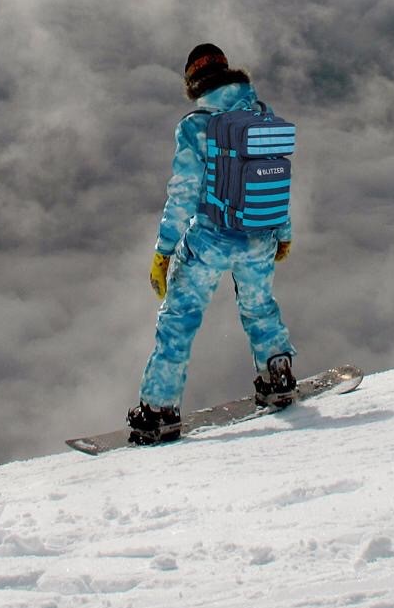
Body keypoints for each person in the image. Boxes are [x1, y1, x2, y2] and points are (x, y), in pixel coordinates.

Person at [127, 43, 296, 445]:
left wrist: (163, 251)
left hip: (210, 238)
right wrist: (283, 232)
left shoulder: (195, 125)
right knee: (259, 308)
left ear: (194, 82)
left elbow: (183, 194)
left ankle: (159, 410)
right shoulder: (259, 113)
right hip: (260, 234)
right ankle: (278, 377)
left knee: (179, 320)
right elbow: (274, 179)